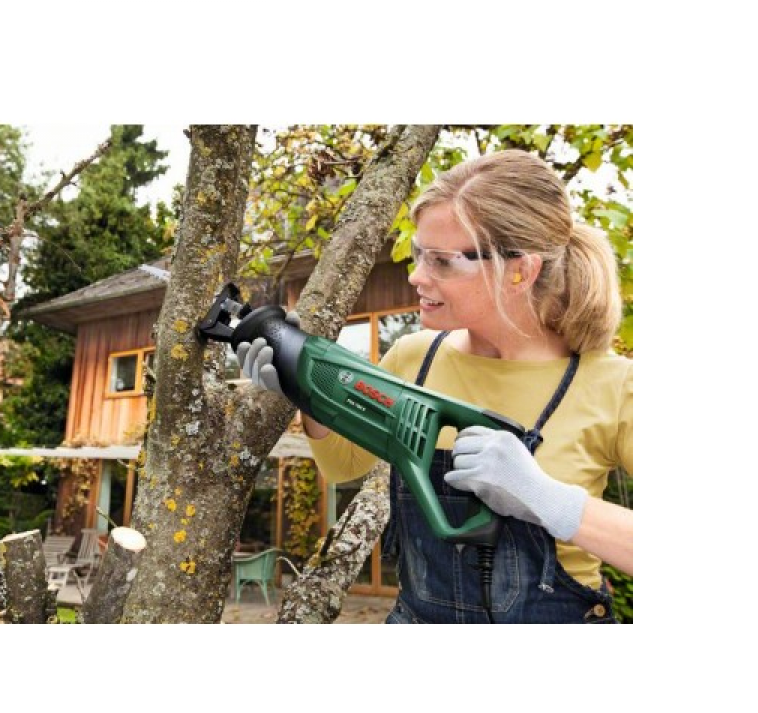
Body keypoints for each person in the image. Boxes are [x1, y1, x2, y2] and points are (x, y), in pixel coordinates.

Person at [237, 149, 632, 624]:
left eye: (443, 262)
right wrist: (304, 388)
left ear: (519, 271)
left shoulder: (614, 385)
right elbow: (342, 465)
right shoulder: (414, 357)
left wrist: (546, 499)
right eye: (420, 253)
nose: (416, 275)